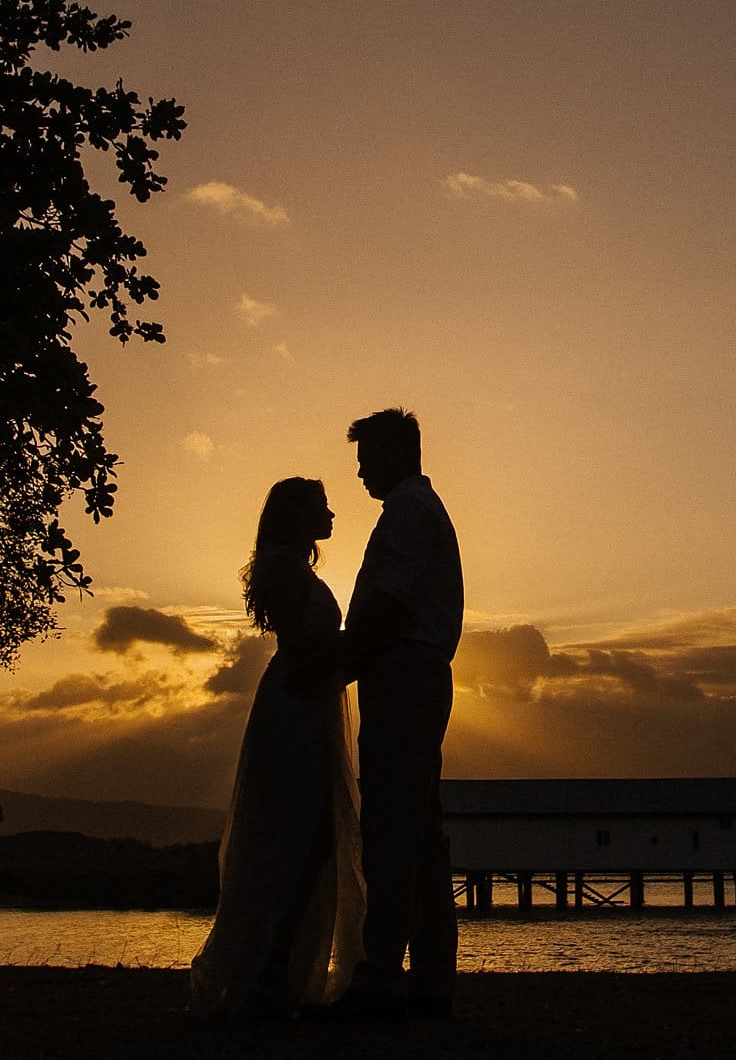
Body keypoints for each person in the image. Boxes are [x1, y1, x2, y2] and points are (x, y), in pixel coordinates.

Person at [186, 478, 363, 1019]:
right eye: (320, 506)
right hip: (295, 706)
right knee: (294, 837)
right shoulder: (284, 567)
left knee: (308, 838)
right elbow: (306, 649)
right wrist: (364, 643)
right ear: (297, 514)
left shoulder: (292, 567)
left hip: (305, 702)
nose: (331, 513)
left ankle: (274, 972)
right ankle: (264, 976)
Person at [331, 408, 463, 1021]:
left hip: (405, 673)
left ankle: (382, 975)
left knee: (391, 825)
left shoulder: (409, 513)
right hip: (413, 672)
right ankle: (431, 980)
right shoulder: (414, 510)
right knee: (419, 833)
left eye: (365, 459)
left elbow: (389, 602)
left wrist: (340, 660)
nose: (358, 473)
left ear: (392, 453)